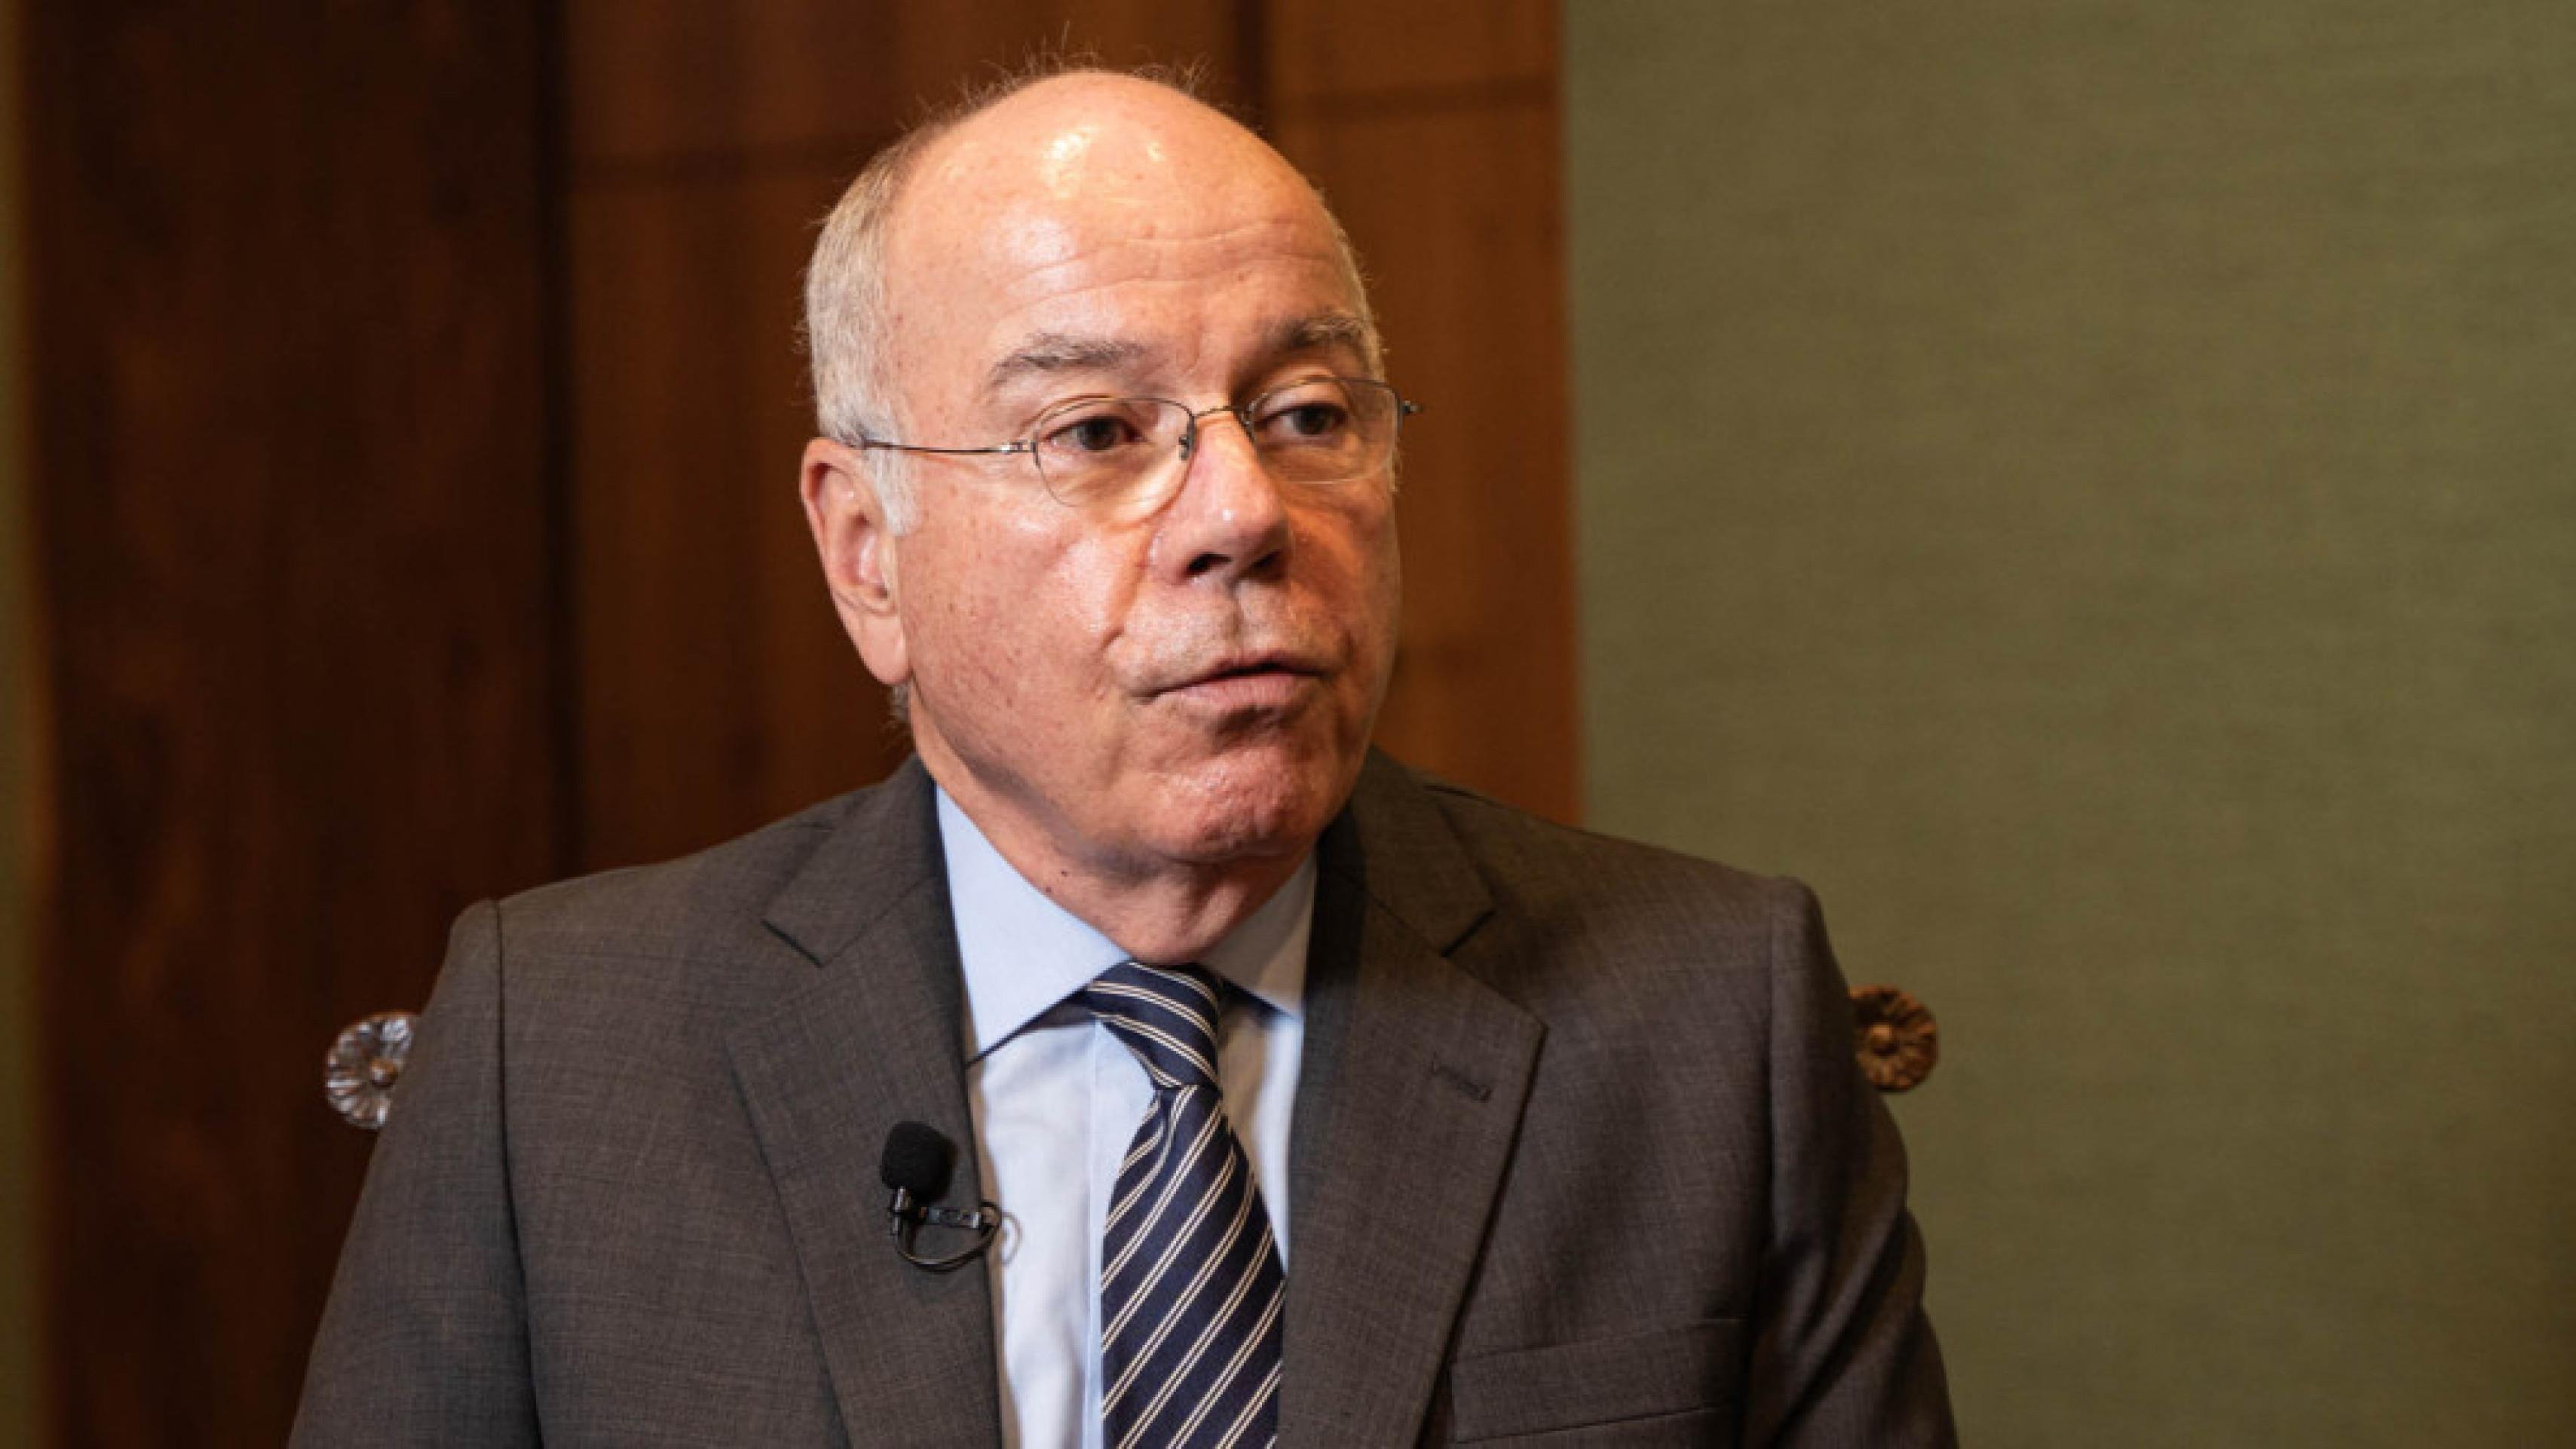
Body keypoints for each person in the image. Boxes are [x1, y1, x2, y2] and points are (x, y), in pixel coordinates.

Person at [295, 66, 1955, 1448]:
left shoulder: (1704, 1023)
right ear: (867, 553)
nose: (1243, 513)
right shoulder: (551, 1059)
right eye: (1093, 432)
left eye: (1308, 414)